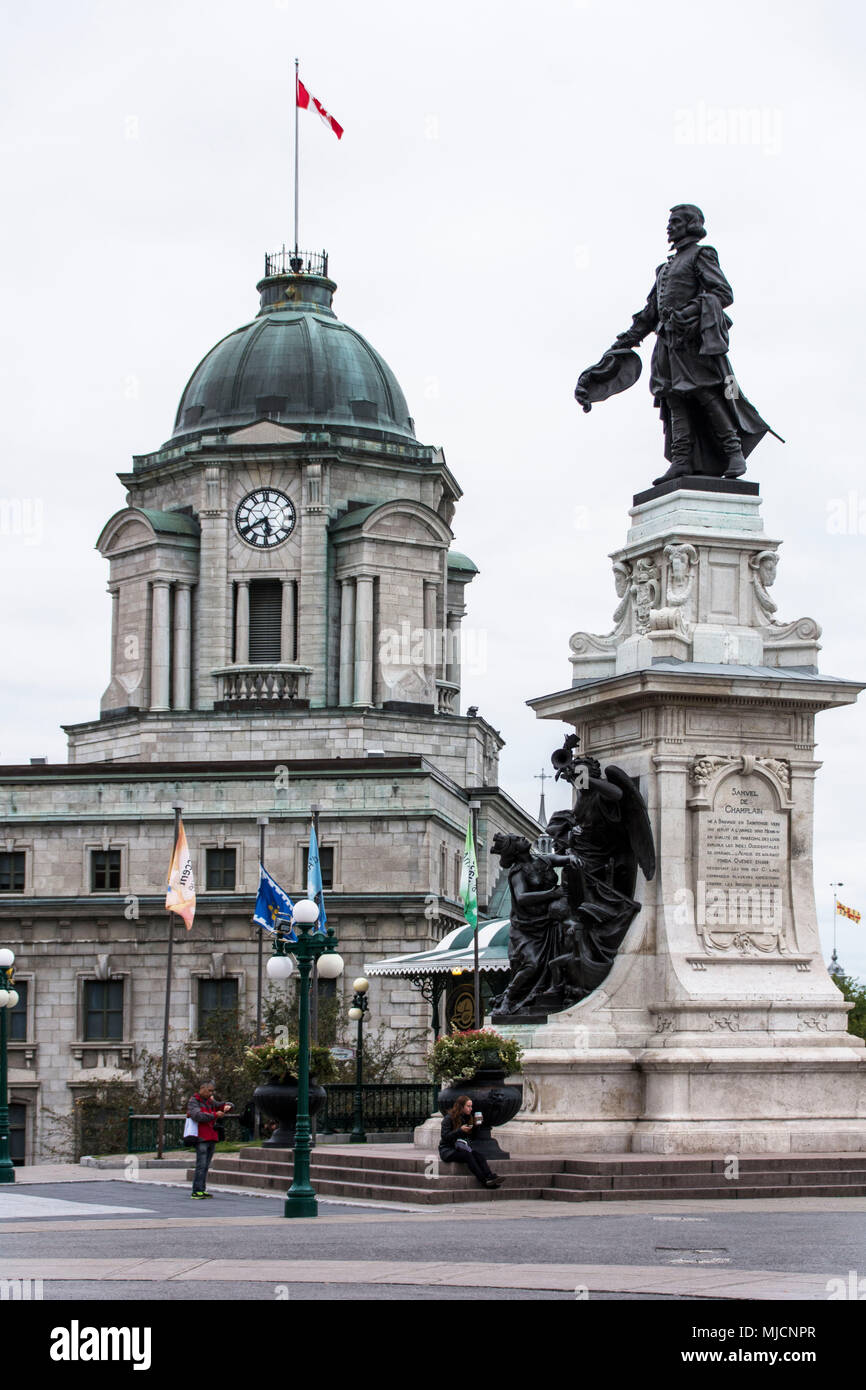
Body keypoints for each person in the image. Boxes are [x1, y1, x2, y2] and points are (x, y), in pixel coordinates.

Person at [609, 204, 777, 485]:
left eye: (675, 221)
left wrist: (688, 314)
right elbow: (651, 311)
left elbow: (722, 293)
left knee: (705, 393)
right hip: (667, 344)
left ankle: (733, 452)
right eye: (669, 222)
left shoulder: (702, 254)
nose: (669, 227)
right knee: (674, 398)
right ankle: (681, 459)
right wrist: (627, 339)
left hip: (692, 342)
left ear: (690, 224)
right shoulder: (664, 268)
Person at [439, 1097, 504, 1190]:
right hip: (447, 1150)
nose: (471, 1109)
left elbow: (471, 1138)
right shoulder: (448, 1118)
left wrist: (476, 1127)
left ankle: (490, 1176)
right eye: (468, 1106)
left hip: (462, 1148)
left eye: (471, 1106)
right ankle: (484, 1181)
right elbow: (445, 1137)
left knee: (478, 1155)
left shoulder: (468, 1118)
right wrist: (460, 1130)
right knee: (467, 1155)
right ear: (461, 1107)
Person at [187, 1082, 232, 1199]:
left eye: (212, 1091)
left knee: (206, 1165)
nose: (211, 1093)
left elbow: (220, 1105)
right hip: (201, 1137)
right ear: (202, 1089)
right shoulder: (194, 1101)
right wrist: (214, 1115)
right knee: (201, 1164)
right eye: (209, 1091)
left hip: (211, 1136)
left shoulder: (210, 1101)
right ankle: (196, 1190)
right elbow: (198, 1116)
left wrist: (228, 1106)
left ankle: (202, 1189)